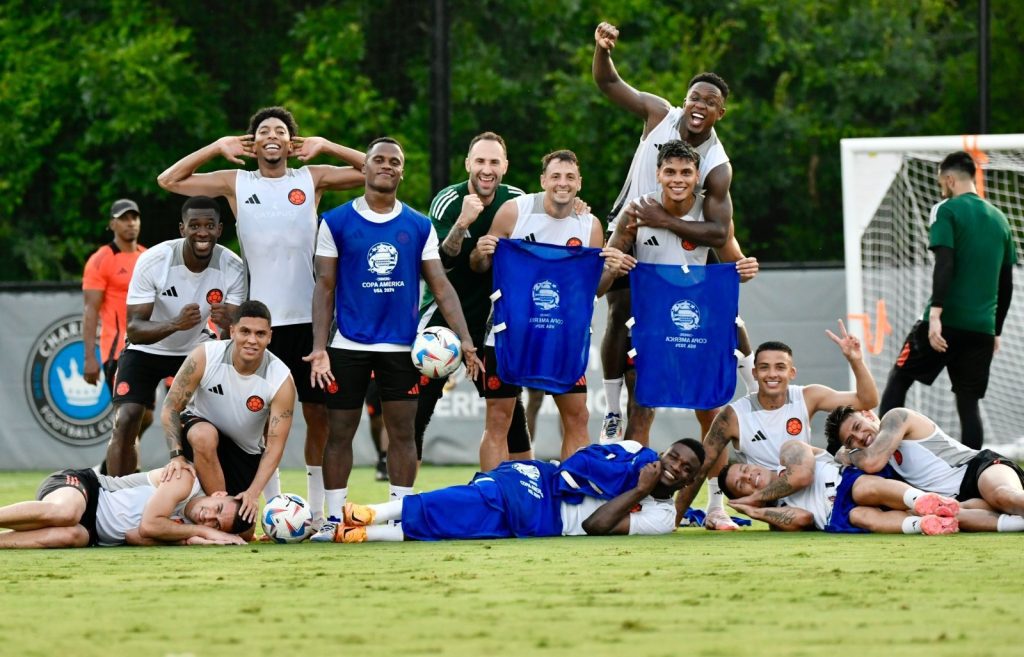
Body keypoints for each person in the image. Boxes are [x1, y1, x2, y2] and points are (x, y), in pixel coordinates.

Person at [157, 106, 366, 524]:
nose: (274, 136)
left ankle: (319, 512)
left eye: (282, 131)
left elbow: (376, 170)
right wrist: (216, 148)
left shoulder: (312, 176)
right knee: (263, 419)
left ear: (292, 142)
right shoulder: (237, 182)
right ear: (252, 144)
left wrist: (326, 146)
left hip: (309, 321)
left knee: (317, 416)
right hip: (260, 324)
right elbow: (169, 180)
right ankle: (271, 510)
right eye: (264, 131)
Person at [305, 137, 483, 542]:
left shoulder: (420, 225)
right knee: (339, 433)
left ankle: (399, 515)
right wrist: (319, 348)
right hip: (348, 344)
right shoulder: (335, 221)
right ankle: (335, 519)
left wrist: (467, 341)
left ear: (403, 172)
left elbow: (441, 286)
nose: (386, 166)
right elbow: (325, 287)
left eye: (395, 162)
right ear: (364, 169)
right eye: (379, 160)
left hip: (403, 347)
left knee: (402, 435)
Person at [592, 21, 757, 445]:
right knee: (618, 310)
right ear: (685, 101)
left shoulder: (718, 165)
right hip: (632, 229)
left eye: (711, 102)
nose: (700, 106)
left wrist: (668, 222)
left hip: (679, 241)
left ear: (721, 112)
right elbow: (608, 83)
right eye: (695, 98)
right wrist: (603, 50)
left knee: (726, 317)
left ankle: (756, 397)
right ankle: (612, 410)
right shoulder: (660, 114)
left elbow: (720, 231)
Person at [469, 149, 630, 469]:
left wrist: (610, 271)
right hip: (509, 332)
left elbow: (592, 290)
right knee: (498, 419)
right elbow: (479, 266)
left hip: (562, 336)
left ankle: (571, 500)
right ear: (543, 180)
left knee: (578, 416)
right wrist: (481, 251)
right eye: (555, 176)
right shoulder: (515, 211)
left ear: (579, 183)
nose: (562, 183)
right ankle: (493, 500)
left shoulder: (589, 225)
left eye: (570, 177)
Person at [603, 140, 758, 442]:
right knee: (641, 408)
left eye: (686, 172)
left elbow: (735, 263)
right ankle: (639, 484)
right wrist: (614, 263)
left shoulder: (710, 214)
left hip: (693, 320)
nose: (678, 179)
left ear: (697, 176)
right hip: (652, 324)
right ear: (658, 173)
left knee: (710, 410)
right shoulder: (636, 211)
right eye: (670, 172)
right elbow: (608, 264)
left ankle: (715, 489)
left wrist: (746, 267)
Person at [674, 328, 879, 530]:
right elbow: (701, 468)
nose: (772, 374)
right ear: (754, 373)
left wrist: (855, 360)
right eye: (764, 368)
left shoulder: (807, 396)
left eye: (780, 367)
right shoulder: (733, 416)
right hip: (782, 506)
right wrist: (673, 520)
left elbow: (867, 400)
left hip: (817, 485)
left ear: (792, 372)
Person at [879, 151, 1016, 449]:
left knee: (899, 378)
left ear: (950, 179)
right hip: (981, 329)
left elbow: (945, 265)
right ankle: (974, 476)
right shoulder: (1001, 220)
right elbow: (1006, 284)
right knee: (968, 406)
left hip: (946, 321)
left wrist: (936, 315)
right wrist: (996, 330)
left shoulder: (948, 211)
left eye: (942, 181)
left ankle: (884, 457)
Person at [322, 438, 704, 542]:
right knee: (469, 500)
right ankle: (371, 513)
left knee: (458, 528)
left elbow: (595, 526)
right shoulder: (638, 456)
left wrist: (640, 491)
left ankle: (362, 533)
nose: (675, 467)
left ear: (690, 481)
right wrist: (637, 479)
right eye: (674, 457)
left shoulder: (662, 516)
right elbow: (586, 460)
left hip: (547, 520)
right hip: (543, 483)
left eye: (686, 468)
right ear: (664, 451)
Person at [105, 196, 246, 476]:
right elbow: (134, 329)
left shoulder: (233, 266)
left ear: (220, 229)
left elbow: (236, 325)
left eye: (209, 225)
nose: (202, 232)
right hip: (147, 348)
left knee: (214, 423)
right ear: (182, 229)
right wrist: (175, 323)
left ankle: (208, 496)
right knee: (127, 419)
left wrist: (229, 319)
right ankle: (114, 497)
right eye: (194, 225)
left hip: (196, 349)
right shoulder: (155, 260)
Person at [415, 132, 533, 463]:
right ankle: (401, 502)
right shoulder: (447, 201)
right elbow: (442, 263)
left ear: (505, 167)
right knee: (418, 409)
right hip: (448, 314)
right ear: (468, 164)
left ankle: (525, 492)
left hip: (496, 318)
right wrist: (462, 223)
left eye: (494, 162)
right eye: (480, 161)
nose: (486, 169)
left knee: (510, 417)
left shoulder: (518, 202)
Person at [160, 300, 295, 524]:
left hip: (244, 452)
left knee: (245, 531)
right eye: (245, 331)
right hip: (199, 438)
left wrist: (253, 493)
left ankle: (208, 520)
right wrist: (177, 456)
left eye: (260, 334)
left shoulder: (281, 379)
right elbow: (170, 407)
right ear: (232, 331)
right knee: (204, 435)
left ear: (270, 336)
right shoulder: (205, 356)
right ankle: (216, 516)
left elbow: (274, 447)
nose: (252, 340)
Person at [718, 439, 991, 535]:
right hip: (837, 516)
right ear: (741, 497)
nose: (748, 477)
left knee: (863, 490)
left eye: (744, 470)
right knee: (861, 516)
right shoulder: (775, 515)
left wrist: (755, 497)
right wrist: (756, 512)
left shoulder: (788, 451)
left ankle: (923, 501)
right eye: (740, 486)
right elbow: (804, 518)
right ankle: (926, 524)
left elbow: (800, 476)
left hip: (849, 482)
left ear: (751, 463)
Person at [826, 406, 1024, 529]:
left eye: (858, 427)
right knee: (947, 516)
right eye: (851, 440)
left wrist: (847, 454)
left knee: (1003, 496)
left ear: (868, 415)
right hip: (958, 500)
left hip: (977, 468)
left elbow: (871, 461)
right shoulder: (873, 454)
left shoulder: (896, 417)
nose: (861, 437)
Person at [0, 465, 250, 548]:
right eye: (217, 508)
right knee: (66, 514)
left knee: (71, 535)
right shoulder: (186, 479)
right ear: (218, 494)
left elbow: (133, 535)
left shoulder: (186, 528)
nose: (207, 518)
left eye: (215, 524)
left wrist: (186, 540)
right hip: (86, 489)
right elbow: (150, 525)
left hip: (92, 533)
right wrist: (205, 533)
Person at [82, 198, 150, 473]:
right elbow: (90, 310)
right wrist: (90, 357)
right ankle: (124, 474)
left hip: (147, 347)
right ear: (112, 224)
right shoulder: (101, 260)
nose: (130, 222)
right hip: (117, 349)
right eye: (124, 218)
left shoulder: (147, 257)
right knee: (129, 415)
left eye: (134, 217)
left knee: (146, 415)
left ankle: (110, 465)